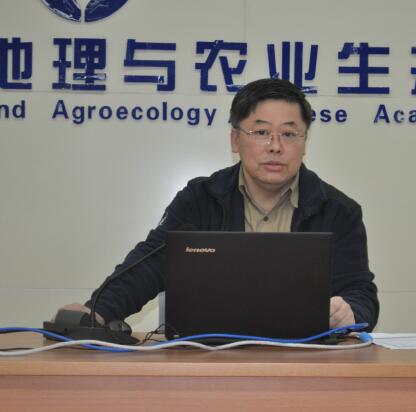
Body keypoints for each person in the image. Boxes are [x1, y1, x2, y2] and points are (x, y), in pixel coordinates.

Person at [59, 78, 379, 331]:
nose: (275, 146)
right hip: (212, 359)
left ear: (304, 142)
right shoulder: (201, 198)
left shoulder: (339, 211)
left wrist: (350, 311)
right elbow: (150, 264)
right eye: (261, 132)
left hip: (306, 363)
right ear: (235, 140)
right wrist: (96, 312)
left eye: (289, 134)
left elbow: (360, 292)